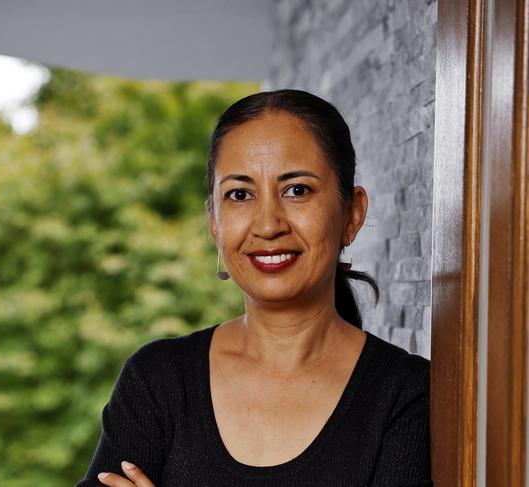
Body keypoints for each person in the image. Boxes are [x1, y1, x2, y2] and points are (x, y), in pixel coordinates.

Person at [74, 90, 431, 487]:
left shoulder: (408, 395)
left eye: (297, 190)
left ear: (351, 214)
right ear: (214, 222)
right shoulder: (157, 380)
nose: (267, 224)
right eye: (240, 195)